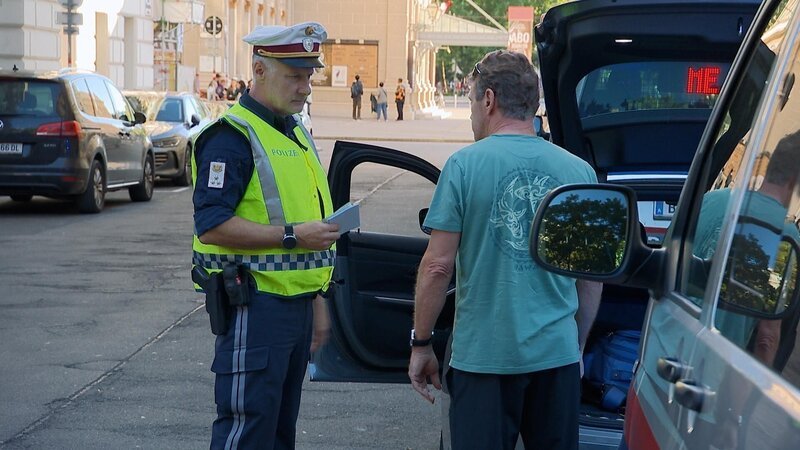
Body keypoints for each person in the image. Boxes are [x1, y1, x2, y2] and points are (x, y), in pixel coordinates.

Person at [407, 50, 602, 450]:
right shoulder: (579, 172)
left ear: (490, 100)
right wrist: (576, 345)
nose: (473, 114)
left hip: (483, 362)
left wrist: (421, 343)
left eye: (473, 102)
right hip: (556, 361)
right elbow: (590, 278)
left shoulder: (463, 166)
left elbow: (437, 267)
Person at [190, 21, 340, 449]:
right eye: (295, 75)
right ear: (258, 71)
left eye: (309, 75)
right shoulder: (231, 138)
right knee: (247, 433)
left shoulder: (292, 132)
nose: (305, 87)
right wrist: (293, 236)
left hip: (292, 310)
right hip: (253, 308)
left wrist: (316, 300)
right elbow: (213, 224)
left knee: (277, 434)